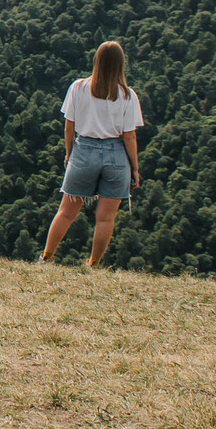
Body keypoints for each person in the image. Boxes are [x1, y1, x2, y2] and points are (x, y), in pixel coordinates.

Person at [40, 41, 144, 268]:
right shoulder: (127, 96)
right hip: (116, 155)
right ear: (120, 64)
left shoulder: (78, 87)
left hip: (84, 151)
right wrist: (134, 167)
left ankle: (46, 257)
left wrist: (69, 154)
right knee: (106, 218)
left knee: (66, 212)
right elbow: (130, 137)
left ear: (96, 61)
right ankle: (94, 263)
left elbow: (69, 126)